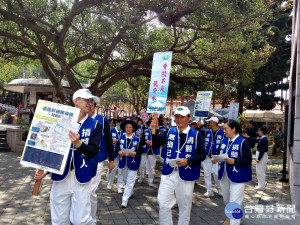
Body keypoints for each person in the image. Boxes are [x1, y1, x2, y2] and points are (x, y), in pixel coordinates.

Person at [34, 88, 101, 225]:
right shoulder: (61, 121)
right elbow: (51, 148)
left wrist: (78, 144)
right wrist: (45, 170)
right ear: (75, 101)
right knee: (59, 220)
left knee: (80, 220)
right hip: (61, 176)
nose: (90, 103)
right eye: (86, 100)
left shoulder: (95, 124)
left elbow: (93, 151)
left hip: (82, 176)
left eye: (91, 101)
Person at [151, 106, 206, 225]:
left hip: (186, 174)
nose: (179, 119)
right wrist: (154, 130)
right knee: (163, 203)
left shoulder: (196, 135)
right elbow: (156, 144)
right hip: (168, 172)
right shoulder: (170, 131)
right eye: (177, 117)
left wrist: (188, 161)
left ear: (189, 118)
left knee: (184, 205)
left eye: (182, 117)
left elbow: (202, 154)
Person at [212, 120, 252, 225]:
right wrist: (217, 159)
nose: (223, 130)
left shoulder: (243, 142)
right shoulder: (224, 141)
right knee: (226, 200)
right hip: (224, 175)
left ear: (233, 129)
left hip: (238, 176)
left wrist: (234, 161)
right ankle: (234, 217)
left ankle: (234, 221)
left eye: (226, 128)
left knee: (234, 203)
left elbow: (248, 159)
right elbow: (221, 155)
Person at [88, 102, 115, 223]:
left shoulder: (102, 120)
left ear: (94, 106)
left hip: (97, 159)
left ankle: (91, 219)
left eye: (90, 105)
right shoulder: (78, 119)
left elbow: (108, 140)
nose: (88, 107)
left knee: (91, 191)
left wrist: (111, 159)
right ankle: (81, 216)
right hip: (81, 160)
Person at [116, 120, 144, 208]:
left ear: (133, 129)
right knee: (125, 179)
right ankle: (130, 192)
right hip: (123, 162)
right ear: (124, 128)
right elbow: (116, 149)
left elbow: (141, 150)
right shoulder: (121, 137)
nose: (128, 129)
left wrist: (136, 153)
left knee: (130, 181)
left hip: (133, 162)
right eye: (127, 127)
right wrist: (119, 152)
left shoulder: (138, 139)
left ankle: (124, 200)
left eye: (130, 127)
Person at [203, 116, 224, 197]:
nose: (209, 123)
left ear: (214, 123)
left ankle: (218, 187)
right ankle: (209, 191)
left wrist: (218, 156)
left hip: (216, 157)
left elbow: (223, 145)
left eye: (210, 122)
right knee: (207, 174)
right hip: (207, 156)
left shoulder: (222, 133)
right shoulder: (207, 132)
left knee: (216, 173)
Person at [107, 118, 124, 189]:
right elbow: (107, 139)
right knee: (112, 169)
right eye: (118, 123)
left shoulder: (124, 132)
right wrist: (111, 140)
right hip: (113, 152)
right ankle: (109, 182)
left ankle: (120, 185)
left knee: (121, 170)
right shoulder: (112, 130)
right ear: (116, 123)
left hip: (121, 153)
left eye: (121, 123)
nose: (119, 124)